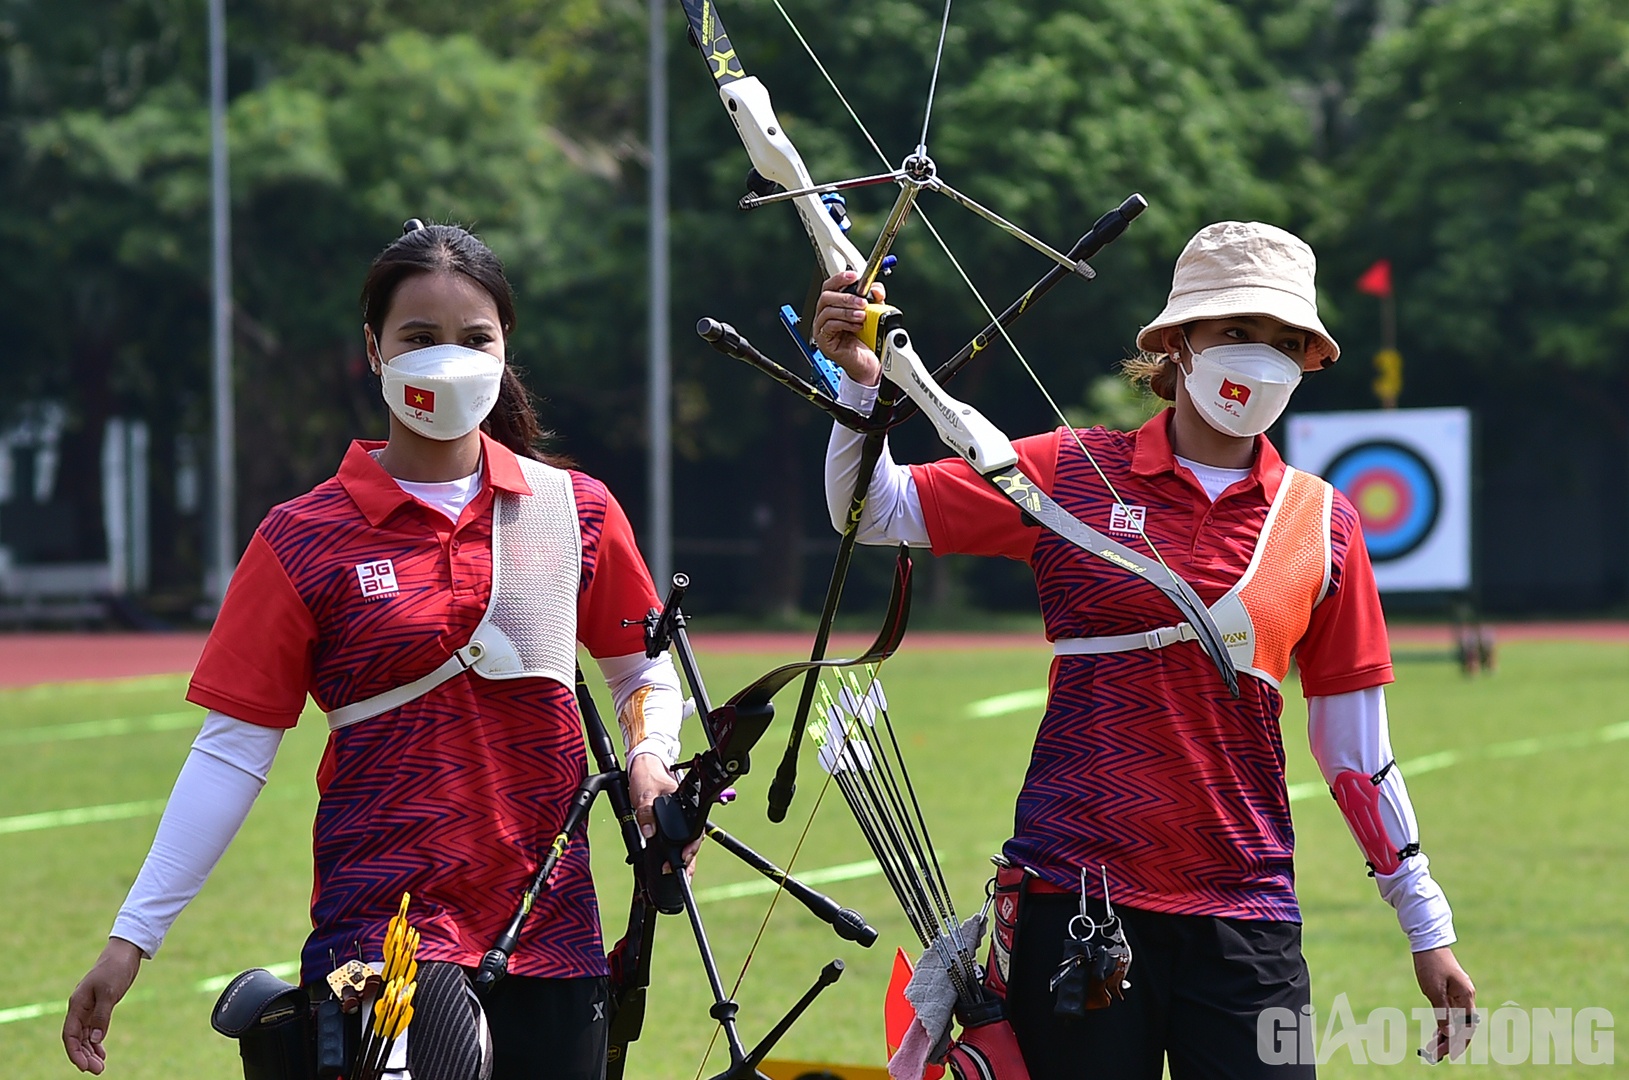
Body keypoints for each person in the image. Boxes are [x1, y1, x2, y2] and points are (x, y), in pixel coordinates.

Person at [811, 221, 1477, 1078]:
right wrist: (861, 382)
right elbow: (873, 509)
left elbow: (1356, 754)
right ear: (1178, 344)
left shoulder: (1322, 522)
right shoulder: (1068, 472)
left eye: (1284, 342)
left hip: (1245, 910)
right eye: (1236, 330)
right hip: (1074, 902)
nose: (1260, 358)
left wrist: (1425, 922)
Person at [63, 221, 687, 1080]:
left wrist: (652, 758)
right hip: (384, 938)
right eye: (418, 338)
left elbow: (641, 669)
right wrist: (131, 939)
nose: (448, 361)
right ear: (373, 351)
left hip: (553, 933)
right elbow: (232, 752)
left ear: (506, 348)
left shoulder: (574, 509)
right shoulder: (301, 536)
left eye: (474, 338)